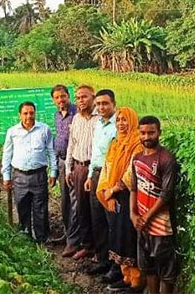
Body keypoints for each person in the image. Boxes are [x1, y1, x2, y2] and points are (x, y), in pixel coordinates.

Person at [97, 107, 145, 293]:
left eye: (125, 120)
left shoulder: (137, 144)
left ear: (133, 121)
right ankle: (125, 277)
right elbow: (107, 168)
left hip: (129, 196)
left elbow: (131, 173)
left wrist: (114, 190)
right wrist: (104, 191)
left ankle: (136, 282)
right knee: (117, 235)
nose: (121, 124)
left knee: (128, 237)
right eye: (118, 120)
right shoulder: (116, 143)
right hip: (113, 195)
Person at [130, 116, 179, 294]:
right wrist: (133, 214)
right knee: (148, 267)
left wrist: (146, 217)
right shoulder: (136, 158)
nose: (146, 137)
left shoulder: (166, 159)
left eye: (151, 132)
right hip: (142, 224)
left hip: (161, 225)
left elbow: (166, 194)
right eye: (143, 133)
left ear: (159, 133)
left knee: (166, 270)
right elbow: (133, 188)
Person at [1, 101, 58, 243]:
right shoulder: (12, 132)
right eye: (25, 113)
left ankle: (41, 238)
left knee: (40, 208)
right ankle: (25, 236)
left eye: (31, 113)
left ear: (35, 113)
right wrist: (6, 176)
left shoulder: (44, 130)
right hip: (19, 176)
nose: (29, 116)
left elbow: (51, 152)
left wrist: (53, 172)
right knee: (22, 205)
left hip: (39, 175)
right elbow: (7, 155)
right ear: (20, 115)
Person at [84, 89, 117, 276]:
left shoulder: (118, 126)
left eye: (105, 103)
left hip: (110, 177)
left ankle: (115, 265)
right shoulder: (98, 124)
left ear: (114, 104)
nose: (101, 107)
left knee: (111, 220)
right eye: (98, 104)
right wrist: (90, 176)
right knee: (98, 220)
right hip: (96, 174)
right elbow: (95, 153)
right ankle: (103, 259)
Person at [63, 85, 98, 259]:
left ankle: (100, 249)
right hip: (78, 167)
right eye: (78, 98)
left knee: (95, 210)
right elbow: (72, 144)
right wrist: (68, 169)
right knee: (81, 209)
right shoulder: (76, 118)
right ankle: (87, 245)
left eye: (84, 97)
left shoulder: (100, 119)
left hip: (94, 169)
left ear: (93, 97)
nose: (81, 101)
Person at [51, 85, 78, 245]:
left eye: (63, 96)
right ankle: (68, 233)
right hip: (61, 162)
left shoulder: (77, 114)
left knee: (75, 201)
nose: (60, 100)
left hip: (74, 164)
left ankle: (74, 240)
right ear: (53, 100)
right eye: (57, 97)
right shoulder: (57, 116)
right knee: (65, 200)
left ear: (68, 96)